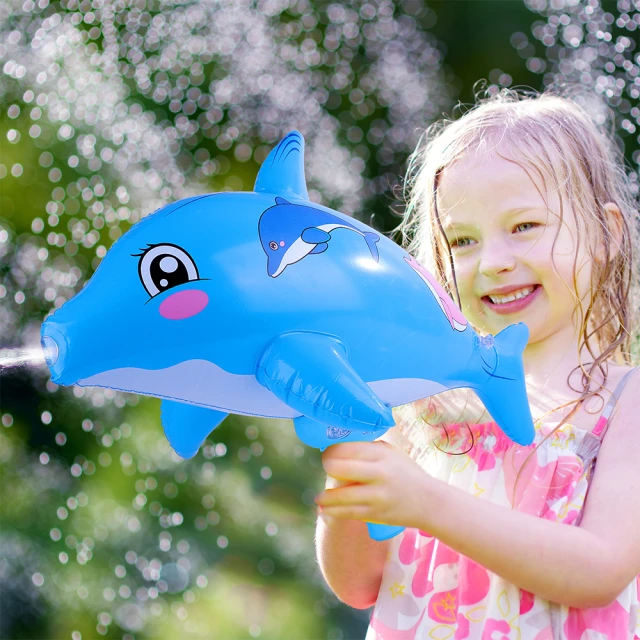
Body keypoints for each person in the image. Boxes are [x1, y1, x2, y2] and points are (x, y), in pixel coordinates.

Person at [314, 86, 640, 639]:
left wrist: (427, 503)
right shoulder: (420, 401)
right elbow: (357, 583)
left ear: (606, 233)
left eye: (524, 227)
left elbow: (600, 568)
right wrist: (350, 471)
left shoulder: (625, 401)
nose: (493, 262)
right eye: (462, 240)